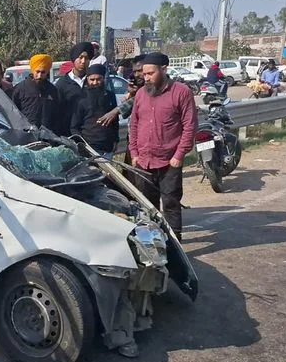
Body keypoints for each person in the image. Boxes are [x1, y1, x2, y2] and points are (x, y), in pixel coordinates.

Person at [129, 52, 196, 243]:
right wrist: (134, 153)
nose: (146, 78)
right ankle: (152, 245)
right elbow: (134, 124)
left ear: (164, 70)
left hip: (169, 161)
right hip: (144, 161)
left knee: (170, 203)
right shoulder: (141, 94)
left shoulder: (181, 92)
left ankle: (175, 246)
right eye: (144, 74)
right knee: (147, 207)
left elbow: (190, 125)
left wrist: (179, 154)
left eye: (150, 73)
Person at [70, 64, 119, 159]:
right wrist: (82, 146)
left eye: (98, 79)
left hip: (108, 148)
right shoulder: (81, 99)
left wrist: (116, 140)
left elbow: (115, 120)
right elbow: (74, 127)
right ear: (87, 80)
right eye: (92, 80)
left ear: (103, 79)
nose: (95, 82)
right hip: (89, 149)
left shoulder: (110, 96)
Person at [11, 53, 59, 132]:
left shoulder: (52, 90)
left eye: (43, 72)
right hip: (26, 133)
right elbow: (13, 112)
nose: (39, 75)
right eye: (37, 72)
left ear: (47, 72)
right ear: (33, 70)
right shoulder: (20, 88)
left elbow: (56, 115)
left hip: (47, 134)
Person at [55, 42, 94, 137]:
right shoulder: (62, 84)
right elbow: (56, 112)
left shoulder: (94, 82)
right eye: (80, 57)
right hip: (67, 135)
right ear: (74, 59)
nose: (83, 61)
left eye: (87, 58)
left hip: (90, 136)